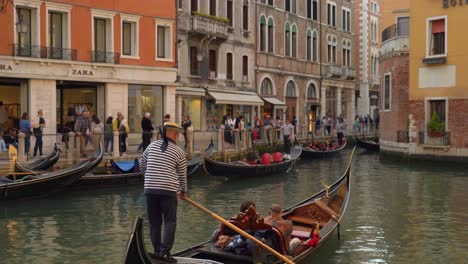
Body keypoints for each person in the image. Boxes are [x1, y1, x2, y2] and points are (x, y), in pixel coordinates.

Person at [139, 122, 187, 263]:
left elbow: (142, 165)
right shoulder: (179, 152)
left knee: (155, 223)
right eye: (177, 133)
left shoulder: (150, 146)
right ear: (173, 134)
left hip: (150, 189)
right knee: (170, 221)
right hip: (168, 190)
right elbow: (183, 176)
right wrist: (183, 191)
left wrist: (150, 178)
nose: (178, 136)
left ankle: (156, 251)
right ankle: (164, 252)